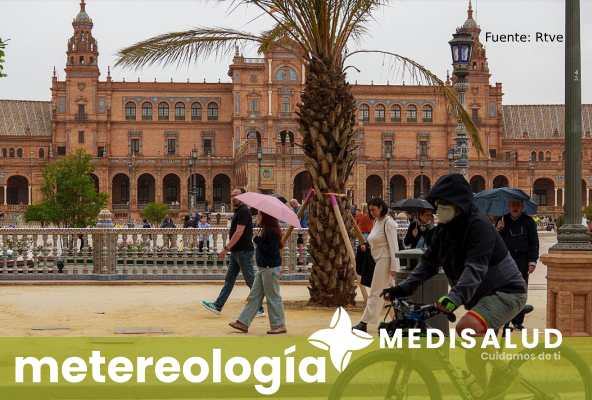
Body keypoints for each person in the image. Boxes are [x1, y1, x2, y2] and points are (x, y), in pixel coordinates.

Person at [383, 174, 527, 399]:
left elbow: (475, 269)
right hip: (481, 297)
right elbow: (428, 264)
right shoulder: (444, 229)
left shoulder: (479, 226)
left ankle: (505, 372)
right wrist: (401, 289)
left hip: (506, 292)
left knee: (467, 327)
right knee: (474, 359)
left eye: (443, 204)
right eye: (437, 204)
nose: (438, 209)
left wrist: (454, 297)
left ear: (458, 204)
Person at [202, 188, 264, 317]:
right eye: (232, 195)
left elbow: (239, 232)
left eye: (236, 195)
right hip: (237, 252)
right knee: (229, 279)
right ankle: (218, 305)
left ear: (243, 197)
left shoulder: (244, 211)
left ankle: (259, 308)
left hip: (243, 251)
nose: (233, 198)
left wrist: (226, 248)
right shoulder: (239, 211)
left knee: (250, 280)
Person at [229, 211, 286, 334]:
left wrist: (258, 241)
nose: (257, 216)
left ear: (265, 216)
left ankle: (279, 324)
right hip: (263, 268)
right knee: (254, 296)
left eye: (260, 214)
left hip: (270, 268)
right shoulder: (265, 230)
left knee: (273, 296)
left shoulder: (271, 232)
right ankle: (243, 322)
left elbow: (272, 250)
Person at [352, 197, 400, 333]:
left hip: (385, 260)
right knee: (392, 293)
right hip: (379, 260)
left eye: (373, 210)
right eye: (370, 210)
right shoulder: (377, 222)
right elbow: (375, 241)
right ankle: (400, 319)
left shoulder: (388, 223)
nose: (371, 212)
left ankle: (364, 322)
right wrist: (366, 247)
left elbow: (394, 246)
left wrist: (394, 268)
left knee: (376, 291)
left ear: (381, 208)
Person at [496, 199, 539, 331]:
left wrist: (533, 261)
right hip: (505, 260)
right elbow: (493, 240)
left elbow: (534, 242)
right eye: (512, 205)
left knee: (520, 290)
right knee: (503, 290)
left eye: (517, 205)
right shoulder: (502, 220)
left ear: (522, 206)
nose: (515, 207)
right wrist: (498, 229)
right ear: (508, 206)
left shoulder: (528, 221)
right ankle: (504, 319)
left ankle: (518, 321)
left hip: (522, 260)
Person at [289, 198, 308, 266]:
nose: (291, 207)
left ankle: (301, 260)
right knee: (302, 243)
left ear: (294, 203)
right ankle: (303, 259)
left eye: (291, 205)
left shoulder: (298, 209)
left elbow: (298, 219)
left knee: (300, 244)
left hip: (300, 228)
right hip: (304, 227)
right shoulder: (303, 208)